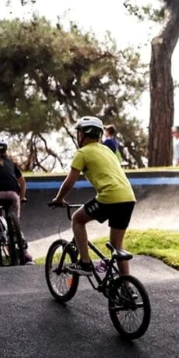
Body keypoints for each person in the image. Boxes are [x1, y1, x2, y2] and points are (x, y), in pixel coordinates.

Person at [49, 117, 137, 276]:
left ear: (82, 134)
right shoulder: (107, 150)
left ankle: (85, 263)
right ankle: (127, 287)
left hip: (110, 197)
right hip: (128, 198)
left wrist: (59, 199)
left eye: (78, 132)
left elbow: (69, 182)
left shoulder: (82, 153)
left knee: (77, 219)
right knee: (117, 247)